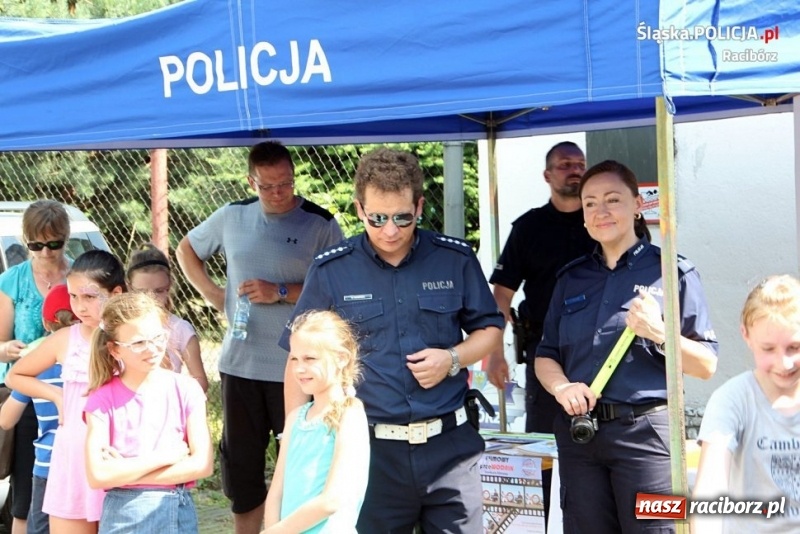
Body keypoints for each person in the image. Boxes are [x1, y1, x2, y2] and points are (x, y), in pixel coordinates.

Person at [281, 147, 504, 533]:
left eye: (402, 217)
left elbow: (490, 331)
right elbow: (298, 357)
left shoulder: (454, 258)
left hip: (449, 445)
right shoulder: (332, 269)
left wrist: (452, 358)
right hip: (370, 449)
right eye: (377, 218)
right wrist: (295, 436)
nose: (390, 230)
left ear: (419, 207)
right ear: (358, 209)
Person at [534, 160, 719, 534]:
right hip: (580, 437)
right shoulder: (571, 278)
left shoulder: (671, 272)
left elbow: (706, 365)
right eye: (590, 203)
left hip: (646, 435)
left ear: (637, 205)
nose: (601, 211)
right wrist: (562, 387)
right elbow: (546, 355)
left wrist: (660, 332)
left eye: (613, 200)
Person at [176, 141, 343, 534]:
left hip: (299, 367)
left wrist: (280, 291)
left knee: (300, 462)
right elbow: (186, 250)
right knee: (243, 472)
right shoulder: (232, 216)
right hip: (241, 365)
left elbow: (337, 285)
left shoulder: (320, 223)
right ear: (250, 181)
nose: (278, 194)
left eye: (285, 184)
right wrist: (215, 295)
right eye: (267, 186)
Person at [485, 141, 595, 524]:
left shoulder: (602, 222)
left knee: (596, 459)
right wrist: (495, 353)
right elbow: (500, 296)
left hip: (602, 359)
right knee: (543, 455)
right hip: (547, 360)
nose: (575, 170)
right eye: (565, 164)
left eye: (580, 164)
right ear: (547, 175)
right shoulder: (529, 228)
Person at [7, 250, 127, 534]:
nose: (79, 307)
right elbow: (16, 375)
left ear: (116, 292)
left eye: (89, 296)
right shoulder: (65, 339)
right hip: (73, 457)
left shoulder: (134, 336)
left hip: (121, 455)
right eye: (73, 297)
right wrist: (58, 396)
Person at [83, 292, 213, 534]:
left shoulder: (186, 388)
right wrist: (167, 456)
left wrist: (123, 473)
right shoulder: (102, 399)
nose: (152, 348)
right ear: (114, 349)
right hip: (123, 516)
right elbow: (98, 475)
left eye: (158, 337)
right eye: (138, 343)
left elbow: (202, 464)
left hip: (177, 510)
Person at [693, 274, 800, 533]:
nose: (783, 363)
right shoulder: (732, 399)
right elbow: (710, 489)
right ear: (746, 335)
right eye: (768, 349)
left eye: (794, 347)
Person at [263, 310, 369, 533]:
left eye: (310, 358)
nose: (299, 368)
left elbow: (332, 499)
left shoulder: (350, 413)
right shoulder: (295, 418)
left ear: (341, 358)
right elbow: (277, 489)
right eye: (294, 358)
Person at [0, 200, 71, 533]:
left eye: (54, 244)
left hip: (71, 386)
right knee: (26, 495)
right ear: (26, 241)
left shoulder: (80, 276)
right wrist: (7, 349)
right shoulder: (13, 280)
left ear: (66, 238)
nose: (45, 252)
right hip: (25, 389)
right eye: (36, 245)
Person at [126, 243, 208, 392]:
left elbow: (200, 381)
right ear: (129, 287)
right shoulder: (119, 327)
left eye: (158, 291)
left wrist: (174, 395)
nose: (151, 298)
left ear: (169, 286)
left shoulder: (180, 329)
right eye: (142, 292)